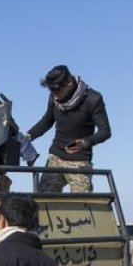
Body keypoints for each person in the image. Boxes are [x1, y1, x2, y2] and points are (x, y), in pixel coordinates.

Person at [26, 65, 111, 193]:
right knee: (43, 200)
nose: (55, 96)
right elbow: (46, 122)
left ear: (69, 84)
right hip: (55, 157)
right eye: (51, 92)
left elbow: (105, 132)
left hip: (79, 162)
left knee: (83, 207)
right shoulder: (54, 97)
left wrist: (84, 142)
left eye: (58, 92)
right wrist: (27, 137)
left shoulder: (93, 99)